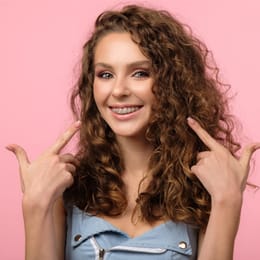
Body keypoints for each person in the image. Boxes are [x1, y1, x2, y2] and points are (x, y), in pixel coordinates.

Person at [7, 4, 260, 260]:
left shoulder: (205, 188)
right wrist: (35, 204)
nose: (118, 90)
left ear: (172, 83)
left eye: (139, 73)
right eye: (105, 74)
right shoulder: (64, 188)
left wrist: (228, 200)